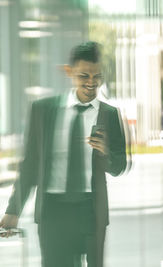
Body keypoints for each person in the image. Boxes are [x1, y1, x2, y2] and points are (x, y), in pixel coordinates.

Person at [0, 41, 127, 267]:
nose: (91, 83)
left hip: (91, 213)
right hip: (53, 213)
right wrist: (13, 210)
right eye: (84, 75)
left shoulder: (109, 114)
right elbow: (30, 164)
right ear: (69, 72)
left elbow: (118, 166)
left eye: (97, 76)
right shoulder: (43, 110)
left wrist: (105, 153)